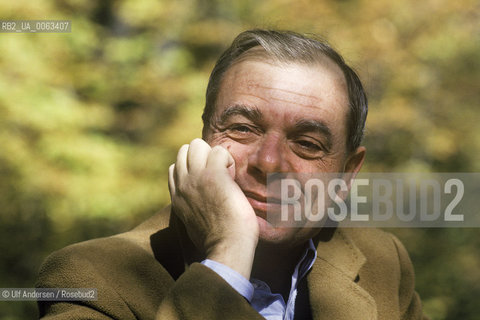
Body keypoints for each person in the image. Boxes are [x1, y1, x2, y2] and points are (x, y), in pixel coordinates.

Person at [37, 29, 427, 319]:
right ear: (205, 136)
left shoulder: (384, 263)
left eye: (307, 143)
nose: (270, 162)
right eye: (242, 127)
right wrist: (227, 254)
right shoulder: (92, 278)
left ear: (346, 175)